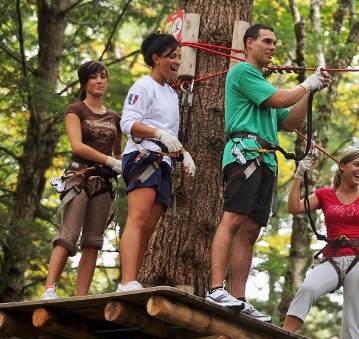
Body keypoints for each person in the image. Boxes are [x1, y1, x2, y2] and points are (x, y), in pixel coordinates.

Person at [206, 23, 331, 321]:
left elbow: (288, 122)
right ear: (249, 43)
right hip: (244, 152)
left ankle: (238, 297)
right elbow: (278, 99)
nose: (272, 46)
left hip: (266, 159)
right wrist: (306, 85)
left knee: (251, 230)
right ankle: (214, 289)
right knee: (233, 218)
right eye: (266, 41)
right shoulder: (243, 72)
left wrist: (308, 93)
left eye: (274, 42)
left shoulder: (262, 83)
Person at [283, 148, 359, 339]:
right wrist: (298, 174)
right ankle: (283, 338)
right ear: (342, 167)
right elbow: (294, 207)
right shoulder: (325, 195)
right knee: (308, 287)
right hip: (333, 256)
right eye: (356, 164)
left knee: (352, 316)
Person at [118, 33, 196, 292]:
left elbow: (170, 134)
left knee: (149, 227)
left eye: (179, 57)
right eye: (172, 57)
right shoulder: (143, 86)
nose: (177, 62)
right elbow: (127, 123)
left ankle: (133, 280)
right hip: (143, 157)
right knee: (138, 220)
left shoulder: (171, 94)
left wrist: (183, 154)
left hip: (163, 162)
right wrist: (157, 134)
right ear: (156, 58)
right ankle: (127, 282)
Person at [40, 61, 123, 299]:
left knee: (94, 240)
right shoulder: (75, 110)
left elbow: (117, 153)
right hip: (78, 178)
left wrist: (119, 164)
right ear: (85, 81)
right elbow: (77, 146)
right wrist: (110, 162)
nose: (99, 81)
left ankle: (81, 297)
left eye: (103, 76)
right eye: (94, 77)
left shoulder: (114, 118)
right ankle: (49, 289)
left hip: (103, 184)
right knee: (68, 235)